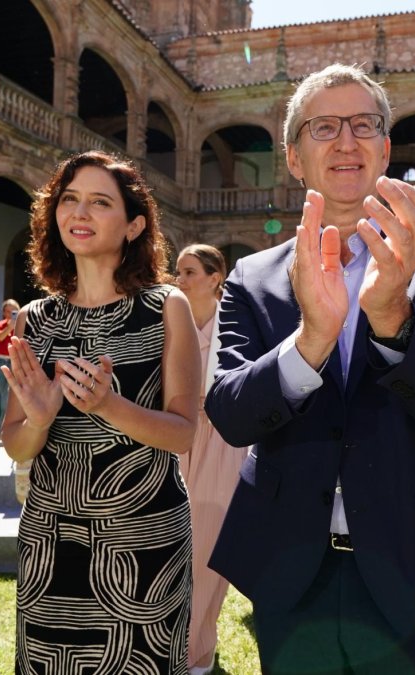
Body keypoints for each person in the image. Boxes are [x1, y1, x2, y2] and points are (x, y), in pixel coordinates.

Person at [203, 63, 415, 673]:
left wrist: (393, 315)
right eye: (324, 126)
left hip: (413, 559)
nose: (346, 140)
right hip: (290, 563)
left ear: (385, 148)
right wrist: (312, 339)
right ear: (293, 156)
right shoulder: (253, 279)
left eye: (364, 124)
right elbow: (231, 415)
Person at [0, 150, 199, 674]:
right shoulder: (34, 320)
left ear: (134, 225)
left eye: (99, 202)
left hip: (142, 544)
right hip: (51, 538)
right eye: (69, 200)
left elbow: (183, 435)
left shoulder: (166, 307)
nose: (79, 213)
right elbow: (15, 444)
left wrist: (108, 405)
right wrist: (39, 419)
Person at [174, 243, 247, 675]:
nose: (178, 279)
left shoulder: (236, 322)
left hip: (222, 439)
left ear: (215, 278)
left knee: (205, 550)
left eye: (188, 272)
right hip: (174, 436)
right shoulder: (170, 321)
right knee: (170, 544)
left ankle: (197, 650)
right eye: (178, 271)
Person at [0, 298, 21, 418]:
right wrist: (8, 328)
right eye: (7, 311)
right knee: (4, 394)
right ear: (4, 313)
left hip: (15, 362)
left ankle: (4, 427)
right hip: (1, 362)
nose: (10, 314)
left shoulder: (22, 326)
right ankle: (3, 427)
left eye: (13, 312)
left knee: (11, 395)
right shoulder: (0, 324)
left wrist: (15, 327)